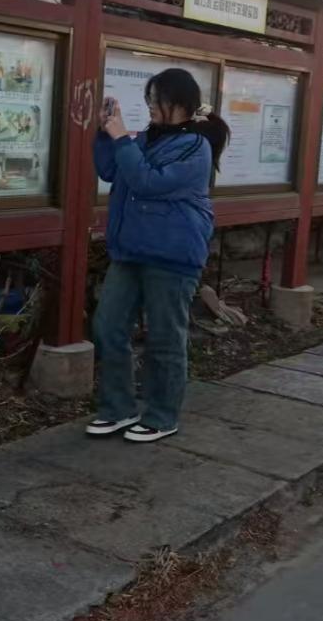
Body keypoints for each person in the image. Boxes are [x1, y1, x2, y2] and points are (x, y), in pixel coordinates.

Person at [88, 68, 230, 443]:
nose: (149, 106)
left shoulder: (195, 146)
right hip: (131, 249)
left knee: (165, 337)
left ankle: (161, 415)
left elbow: (149, 182)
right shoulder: (146, 138)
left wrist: (121, 139)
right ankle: (117, 409)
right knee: (108, 326)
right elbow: (109, 169)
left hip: (171, 253)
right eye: (148, 99)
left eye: (157, 100)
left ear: (180, 104)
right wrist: (105, 132)